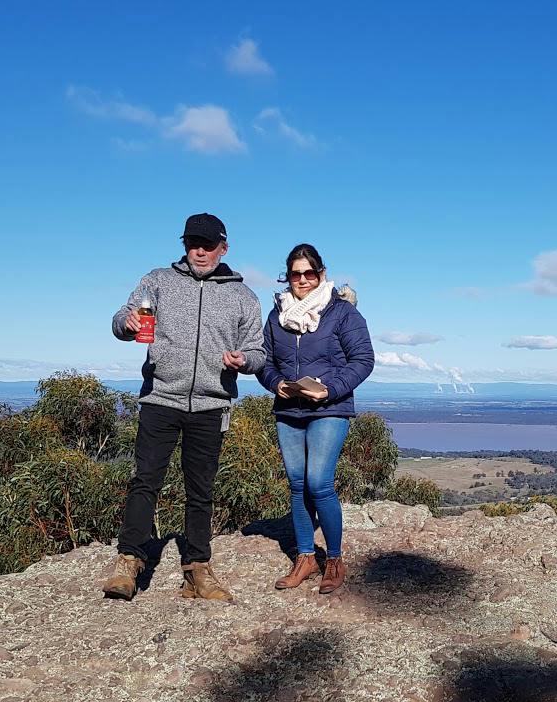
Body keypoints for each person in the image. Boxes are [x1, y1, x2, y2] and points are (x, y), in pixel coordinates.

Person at [102, 213, 265, 602]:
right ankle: (129, 563)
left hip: (211, 404)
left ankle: (197, 571)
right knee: (145, 481)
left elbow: (259, 352)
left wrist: (246, 360)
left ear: (224, 248)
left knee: (201, 490)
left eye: (208, 245)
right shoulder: (157, 280)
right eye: (193, 243)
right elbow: (122, 321)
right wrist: (125, 323)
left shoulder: (243, 296)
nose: (200, 251)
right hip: (160, 398)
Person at [256, 243, 375, 594]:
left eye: (309, 273)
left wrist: (330, 389)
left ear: (321, 274)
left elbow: (363, 360)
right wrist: (276, 384)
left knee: (318, 482)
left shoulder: (342, 313)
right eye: (296, 274)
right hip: (289, 409)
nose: (303, 280)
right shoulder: (277, 315)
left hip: (328, 408)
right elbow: (264, 360)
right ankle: (306, 557)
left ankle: (334, 559)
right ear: (288, 277)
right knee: (296, 484)